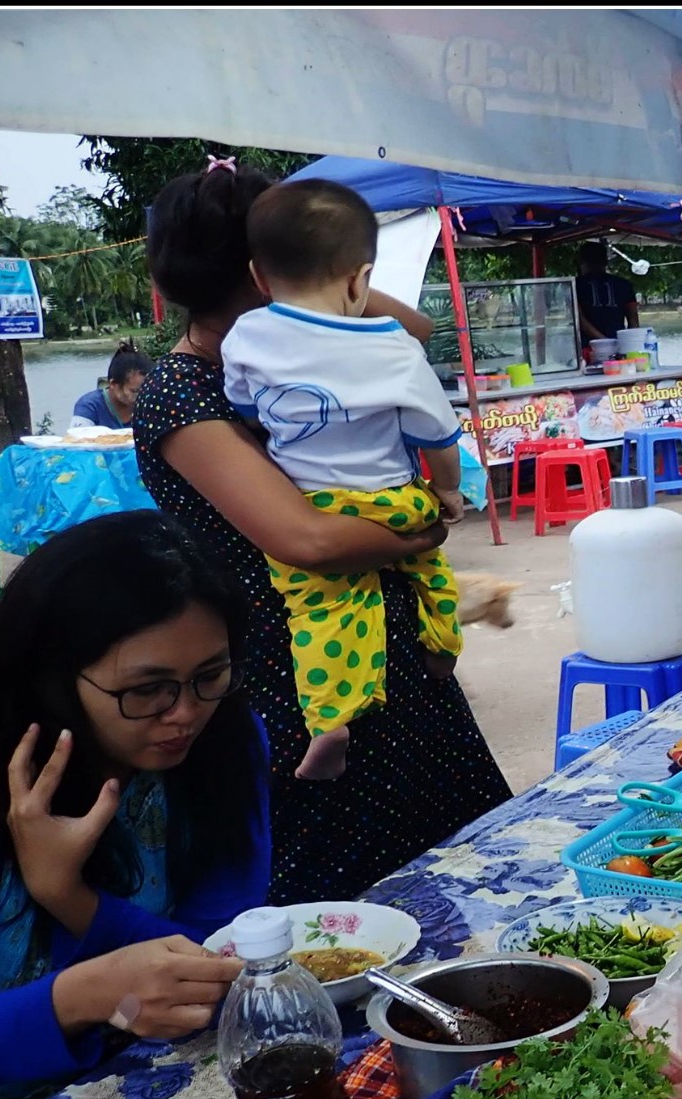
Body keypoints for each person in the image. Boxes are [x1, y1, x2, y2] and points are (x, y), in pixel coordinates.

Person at [134, 158, 511, 905]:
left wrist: (328, 287)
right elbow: (306, 540)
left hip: (390, 650)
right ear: (257, 275)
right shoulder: (182, 392)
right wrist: (422, 534)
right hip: (294, 677)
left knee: (462, 868)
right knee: (350, 903)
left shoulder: (307, 342)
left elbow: (418, 326)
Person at [0, 511, 267, 1097]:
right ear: (55, 677)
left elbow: (214, 958)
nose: (184, 713)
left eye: (210, 674)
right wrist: (80, 998)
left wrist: (70, 896)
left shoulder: (227, 743)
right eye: (145, 689)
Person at [222, 178, 468, 784]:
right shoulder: (393, 347)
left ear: (258, 276)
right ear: (361, 280)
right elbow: (437, 435)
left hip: (314, 507)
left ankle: (331, 720)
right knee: (430, 569)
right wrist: (447, 492)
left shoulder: (245, 338)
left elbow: (247, 408)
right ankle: (441, 648)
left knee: (322, 610)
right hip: (396, 502)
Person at [71, 343, 152, 430]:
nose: (141, 396)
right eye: (134, 391)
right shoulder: (89, 406)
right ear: (113, 384)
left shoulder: (149, 405)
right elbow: (78, 440)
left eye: (145, 390)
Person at [574, 242, 640, 345]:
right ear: (606, 262)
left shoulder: (575, 285)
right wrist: (627, 344)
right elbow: (633, 321)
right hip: (619, 344)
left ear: (581, 261)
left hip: (588, 348)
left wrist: (606, 342)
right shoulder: (624, 285)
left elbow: (579, 319)